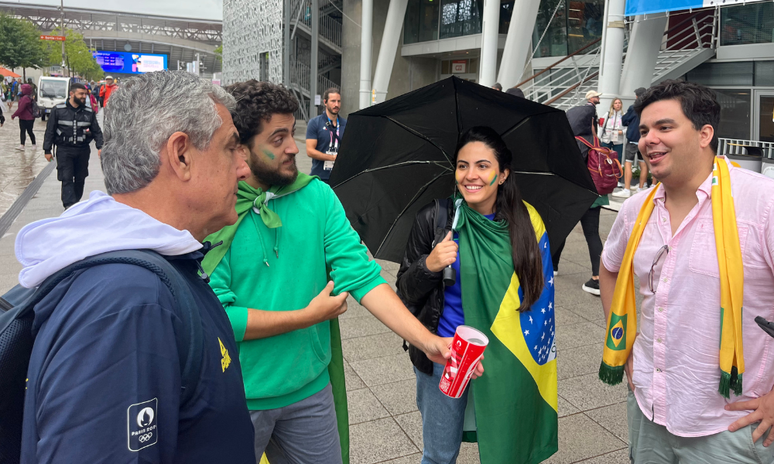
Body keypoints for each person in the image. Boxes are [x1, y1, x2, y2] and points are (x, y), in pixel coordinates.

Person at [203, 80, 466, 463]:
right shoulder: (214, 210)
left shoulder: (318, 196)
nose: (294, 147)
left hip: (309, 391)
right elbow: (217, 315)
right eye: (278, 139)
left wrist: (427, 341)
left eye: (291, 133)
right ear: (240, 147)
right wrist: (306, 318)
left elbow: (362, 275)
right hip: (236, 396)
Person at [16, 71, 255, 463]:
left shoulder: (153, 270)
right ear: (181, 155)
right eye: (231, 148)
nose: (244, 168)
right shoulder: (127, 303)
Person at [599, 80, 774, 462]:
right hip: (649, 407)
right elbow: (609, 269)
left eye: (664, 127)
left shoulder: (762, 203)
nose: (648, 140)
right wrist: (624, 345)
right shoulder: (636, 209)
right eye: (644, 131)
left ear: (704, 133)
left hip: (730, 425)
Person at [397, 126, 556, 464]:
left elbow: (539, 298)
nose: (471, 175)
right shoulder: (435, 219)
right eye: (462, 165)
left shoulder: (528, 223)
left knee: (508, 447)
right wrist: (430, 264)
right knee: (439, 453)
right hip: (444, 354)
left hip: (507, 356)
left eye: (483, 166)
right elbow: (404, 291)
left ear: (503, 174)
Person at [555, 90, 607, 295]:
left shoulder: (573, 142)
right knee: (592, 234)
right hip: (594, 197)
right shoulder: (596, 142)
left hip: (573, 195)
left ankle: (553, 265)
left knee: (561, 229)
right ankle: (598, 278)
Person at [43, 82, 103, 209]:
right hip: (65, 150)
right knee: (67, 177)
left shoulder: (89, 112)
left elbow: (97, 131)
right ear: (71, 94)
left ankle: (75, 201)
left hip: (82, 150)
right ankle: (69, 206)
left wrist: (100, 146)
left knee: (80, 178)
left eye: (85, 95)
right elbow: (50, 131)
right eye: (81, 94)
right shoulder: (58, 110)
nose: (83, 97)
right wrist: (47, 149)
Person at [613, 87, 649, 198]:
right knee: (643, 164)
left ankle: (627, 189)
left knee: (628, 163)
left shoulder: (633, 108)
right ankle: (641, 188)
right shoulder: (648, 107)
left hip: (633, 139)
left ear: (637, 96)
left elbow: (624, 121)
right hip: (644, 138)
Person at [306, 87, 345, 184]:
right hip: (320, 177)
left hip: (340, 176)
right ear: (325, 102)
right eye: (333, 101)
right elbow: (310, 151)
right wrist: (332, 158)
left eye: (338, 101)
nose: (336, 104)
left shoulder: (346, 124)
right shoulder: (315, 123)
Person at [599, 97, 624, 167]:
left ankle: (616, 176)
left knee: (617, 160)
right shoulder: (607, 114)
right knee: (604, 158)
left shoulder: (624, 115)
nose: (617, 105)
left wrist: (622, 132)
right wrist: (598, 138)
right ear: (613, 105)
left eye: (619, 103)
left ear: (621, 105)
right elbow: (601, 126)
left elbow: (628, 128)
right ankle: (604, 176)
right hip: (606, 139)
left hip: (618, 140)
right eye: (616, 103)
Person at [11, 83, 36, 151]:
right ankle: (23, 145)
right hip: (23, 117)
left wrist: (14, 115)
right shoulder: (26, 97)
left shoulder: (25, 98)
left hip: (28, 118)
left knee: (29, 131)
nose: (20, 89)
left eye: (21, 88)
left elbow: (21, 108)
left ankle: (33, 144)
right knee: (23, 131)